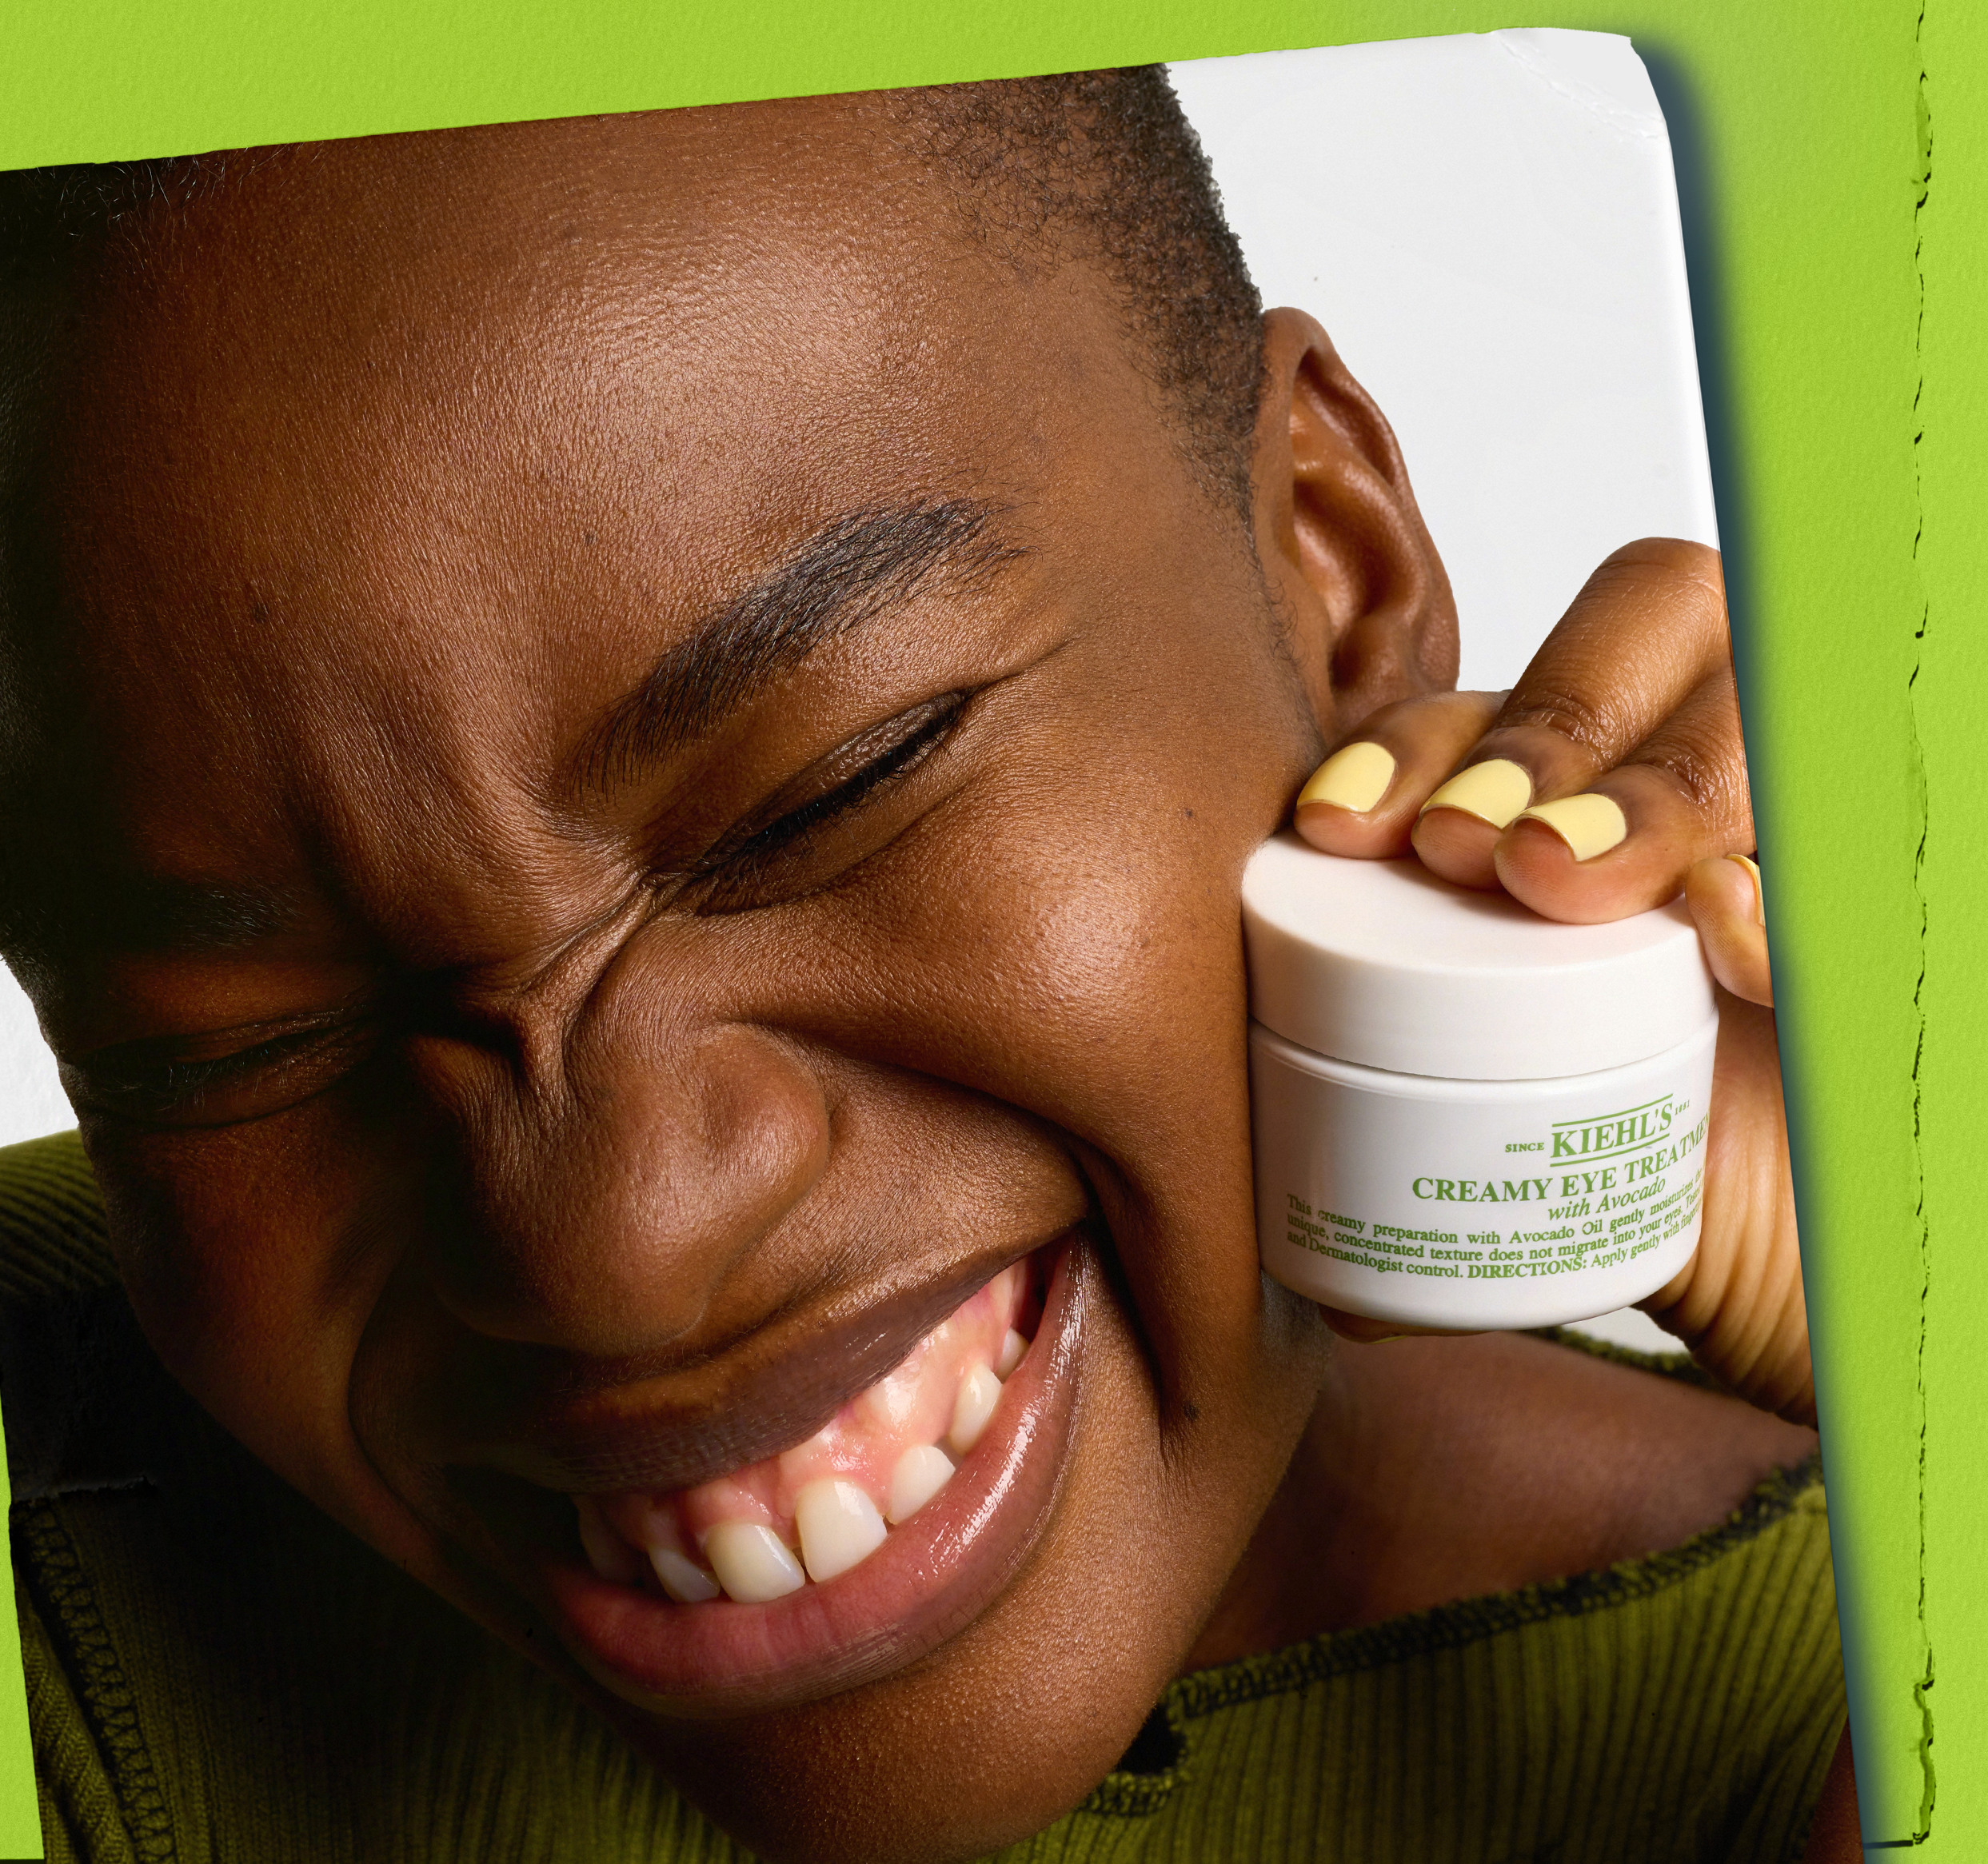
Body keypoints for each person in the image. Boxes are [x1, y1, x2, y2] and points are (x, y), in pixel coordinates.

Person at [0, 67, 1853, 1862]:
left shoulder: (1869, 1671)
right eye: (237, 1044)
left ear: (1333, 570)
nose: (618, 1250)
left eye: (833, 789)